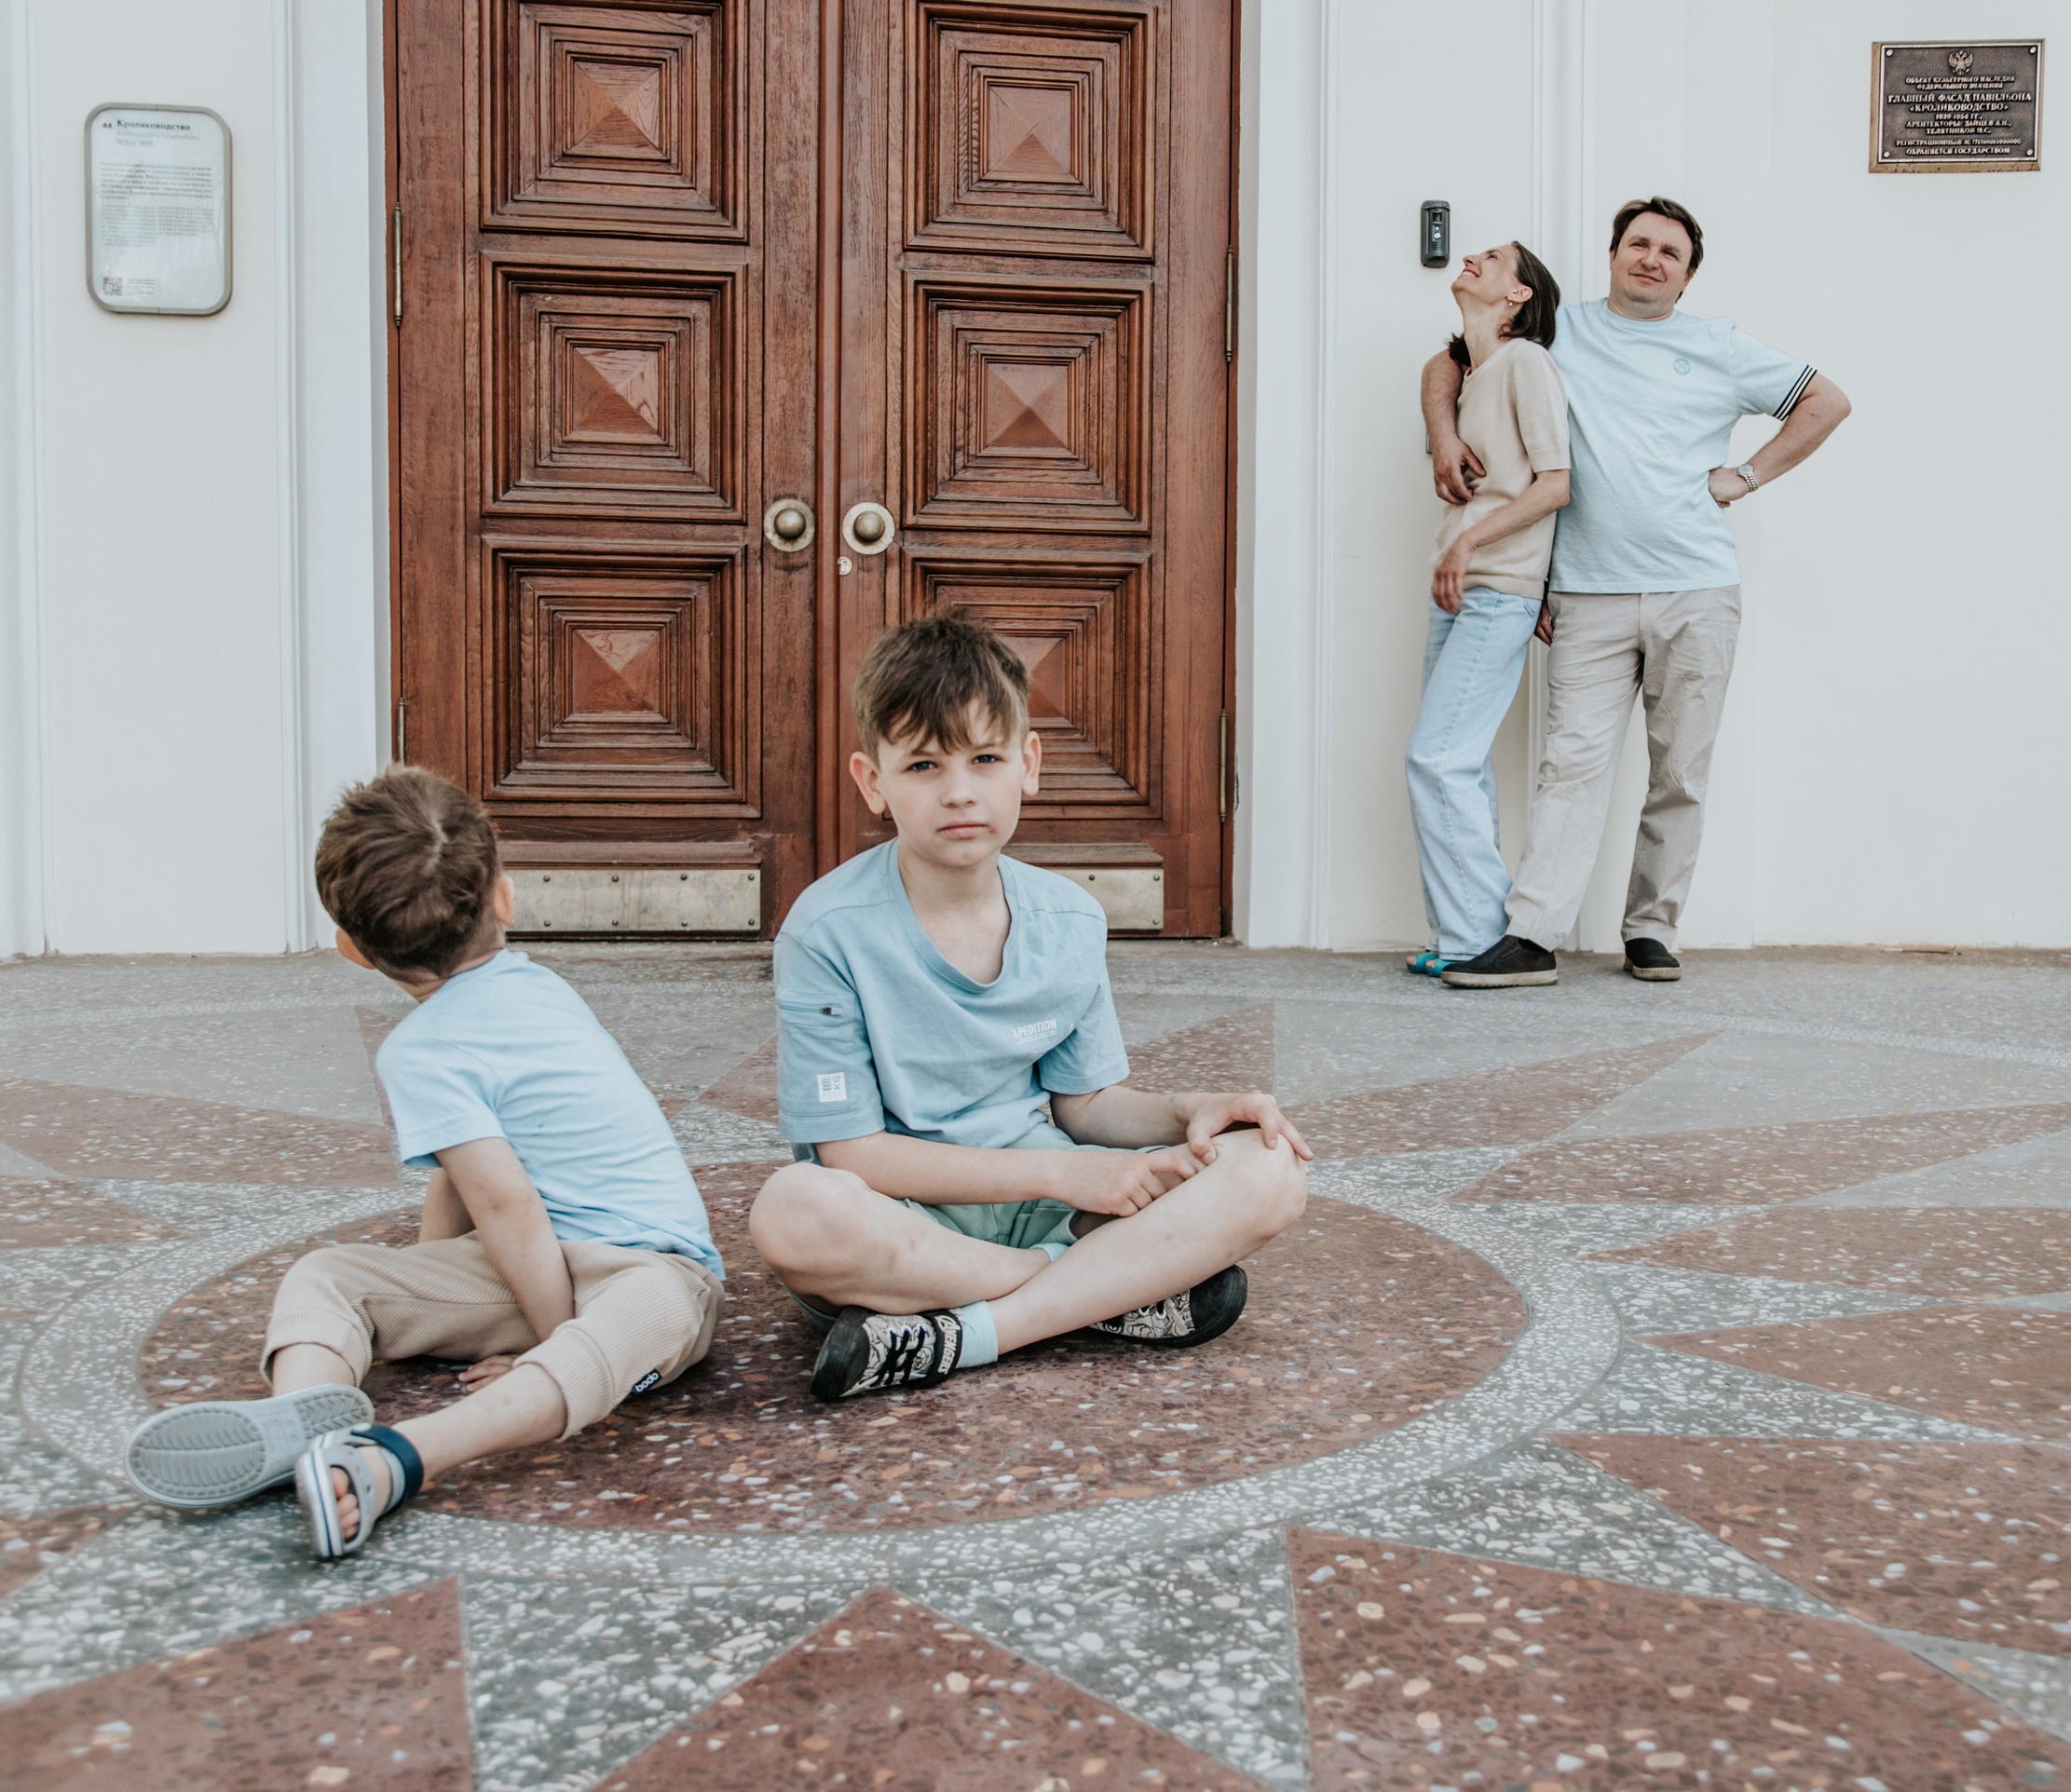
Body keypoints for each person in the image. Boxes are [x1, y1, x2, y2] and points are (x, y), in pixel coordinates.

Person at [121, 768, 726, 1559]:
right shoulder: (536, 987)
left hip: (647, 1269)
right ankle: (304, 1422)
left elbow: (504, 1203)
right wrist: (430, 1287)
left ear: (351, 949)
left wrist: (543, 1339)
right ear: (505, 899)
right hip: (542, 1272)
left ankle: (398, 1456)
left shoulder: (421, 1048)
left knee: (645, 1311)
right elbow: (477, 1184)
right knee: (335, 1274)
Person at [749, 613, 1311, 1400]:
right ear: (873, 782)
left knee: (1271, 1169)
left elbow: (1086, 1104)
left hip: (1047, 1208)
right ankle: (1098, 1294)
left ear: (1029, 764)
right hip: (904, 1225)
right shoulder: (827, 930)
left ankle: (968, 1334)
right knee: (792, 1211)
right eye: (923, 765)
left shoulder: (1068, 918)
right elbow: (855, 1156)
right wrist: (1064, 1174)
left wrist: (1193, 1109)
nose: (960, 792)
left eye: (985, 758)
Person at [1426, 197, 1851, 987]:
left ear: (1686, 278)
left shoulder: (1718, 346)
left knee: (1679, 771)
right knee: (1571, 768)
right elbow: (1451, 360)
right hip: (1587, 595)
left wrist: (1745, 476)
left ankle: (1652, 929)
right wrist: (1444, 434)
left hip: (1698, 590)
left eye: (1669, 253)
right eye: (1639, 244)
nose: (1651, 259)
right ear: (1614, 255)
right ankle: (1533, 936)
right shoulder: (1561, 331)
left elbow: (1827, 401)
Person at [1399, 241, 1571, 979]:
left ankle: (1480, 939)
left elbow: (1556, 483)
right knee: (1458, 764)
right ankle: (1461, 933)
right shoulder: (1473, 371)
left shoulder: (1527, 363)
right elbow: (1437, 367)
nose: (1472, 256)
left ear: (1518, 295)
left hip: (1497, 589)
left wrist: (1471, 543)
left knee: (1437, 758)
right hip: (1461, 587)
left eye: (1494, 258)